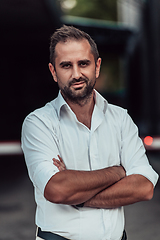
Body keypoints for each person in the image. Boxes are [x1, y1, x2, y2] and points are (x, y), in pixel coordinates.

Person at [21, 25, 159, 240]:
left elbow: (143, 188)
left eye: (83, 63)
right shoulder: (38, 123)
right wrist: (118, 172)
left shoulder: (120, 119)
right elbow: (57, 190)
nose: (76, 74)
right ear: (53, 71)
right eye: (66, 65)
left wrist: (77, 196)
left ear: (97, 66)